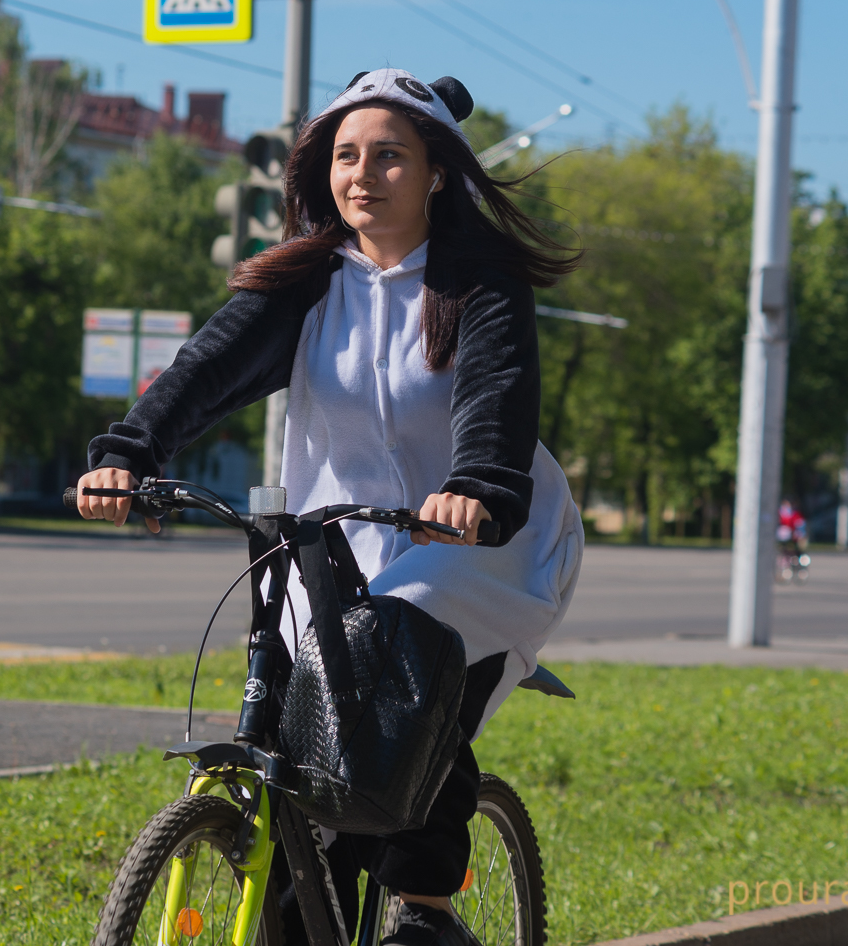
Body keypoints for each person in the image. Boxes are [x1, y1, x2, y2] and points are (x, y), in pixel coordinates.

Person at [77, 68, 585, 946]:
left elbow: (495, 402)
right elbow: (202, 372)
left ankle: (425, 909)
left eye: (390, 156)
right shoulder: (306, 282)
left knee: (398, 676)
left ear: (435, 173)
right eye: (347, 156)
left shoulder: (481, 284)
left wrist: (476, 490)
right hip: (332, 543)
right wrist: (129, 453)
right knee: (299, 751)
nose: (363, 174)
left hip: (482, 542)